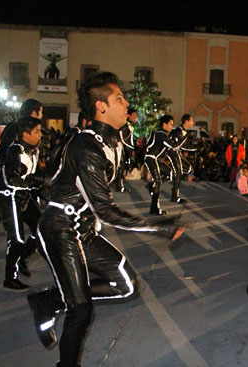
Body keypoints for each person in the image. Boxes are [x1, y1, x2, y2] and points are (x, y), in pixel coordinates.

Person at [27, 72, 185, 367]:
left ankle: (50, 301)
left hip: (84, 232)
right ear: (101, 106)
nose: (127, 104)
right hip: (61, 230)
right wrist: (159, 226)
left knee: (127, 285)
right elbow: (106, 210)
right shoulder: (86, 148)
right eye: (119, 99)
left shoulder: (111, 141)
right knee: (81, 311)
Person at [0, 116, 44, 290]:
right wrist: (33, 182)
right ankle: (10, 278)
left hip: (25, 197)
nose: (40, 134)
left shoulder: (34, 150)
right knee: (16, 239)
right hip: (10, 198)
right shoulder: (14, 152)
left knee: (41, 229)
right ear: (25, 133)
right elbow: (10, 180)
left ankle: (22, 256)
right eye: (37, 131)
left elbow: (34, 175)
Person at [0, 98, 43, 180]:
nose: (41, 116)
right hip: (13, 179)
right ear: (33, 113)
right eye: (41, 112)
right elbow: (5, 150)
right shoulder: (15, 128)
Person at [144, 115, 184, 215]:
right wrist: (185, 138)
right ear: (164, 124)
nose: (171, 126)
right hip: (152, 159)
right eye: (170, 124)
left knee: (170, 173)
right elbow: (173, 146)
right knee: (157, 183)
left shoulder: (157, 133)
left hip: (155, 159)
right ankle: (154, 209)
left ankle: (151, 186)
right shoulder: (161, 134)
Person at [168, 114, 195, 203]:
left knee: (188, 169)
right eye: (191, 121)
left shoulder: (184, 132)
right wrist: (196, 148)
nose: (192, 123)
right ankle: (175, 196)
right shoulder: (177, 132)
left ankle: (157, 182)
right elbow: (182, 146)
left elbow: (183, 146)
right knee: (178, 173)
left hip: (177, 154)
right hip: (172, 154)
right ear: (186, 121)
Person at [114, 108, 136, 192]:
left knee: (122, 166)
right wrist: (131, 149)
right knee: (120, 166)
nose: (135, 118)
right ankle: (118, 185)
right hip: (119, 147)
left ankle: (119, 184)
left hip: (123, 148)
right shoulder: (124, 126)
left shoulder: (129, 126)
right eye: (133, 115)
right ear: (128, 116)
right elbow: (123, 139)